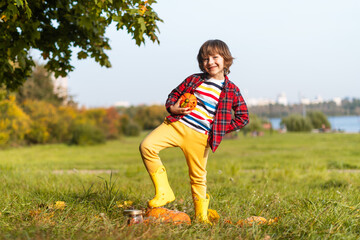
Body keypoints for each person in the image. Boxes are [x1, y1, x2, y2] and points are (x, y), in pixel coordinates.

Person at [139, 39, 249, 224]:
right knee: (147, 146)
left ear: (226, 60)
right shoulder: (194, 79)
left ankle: (201, 217)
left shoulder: (231, 90)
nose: (210, 62)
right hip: (176, 125)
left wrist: (218, 130)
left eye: (215, 57)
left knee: (198, 177)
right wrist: (172, 108)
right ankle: (164, 191)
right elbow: (173, 95)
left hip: (200, 137)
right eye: (205, 59)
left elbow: (243, 117)